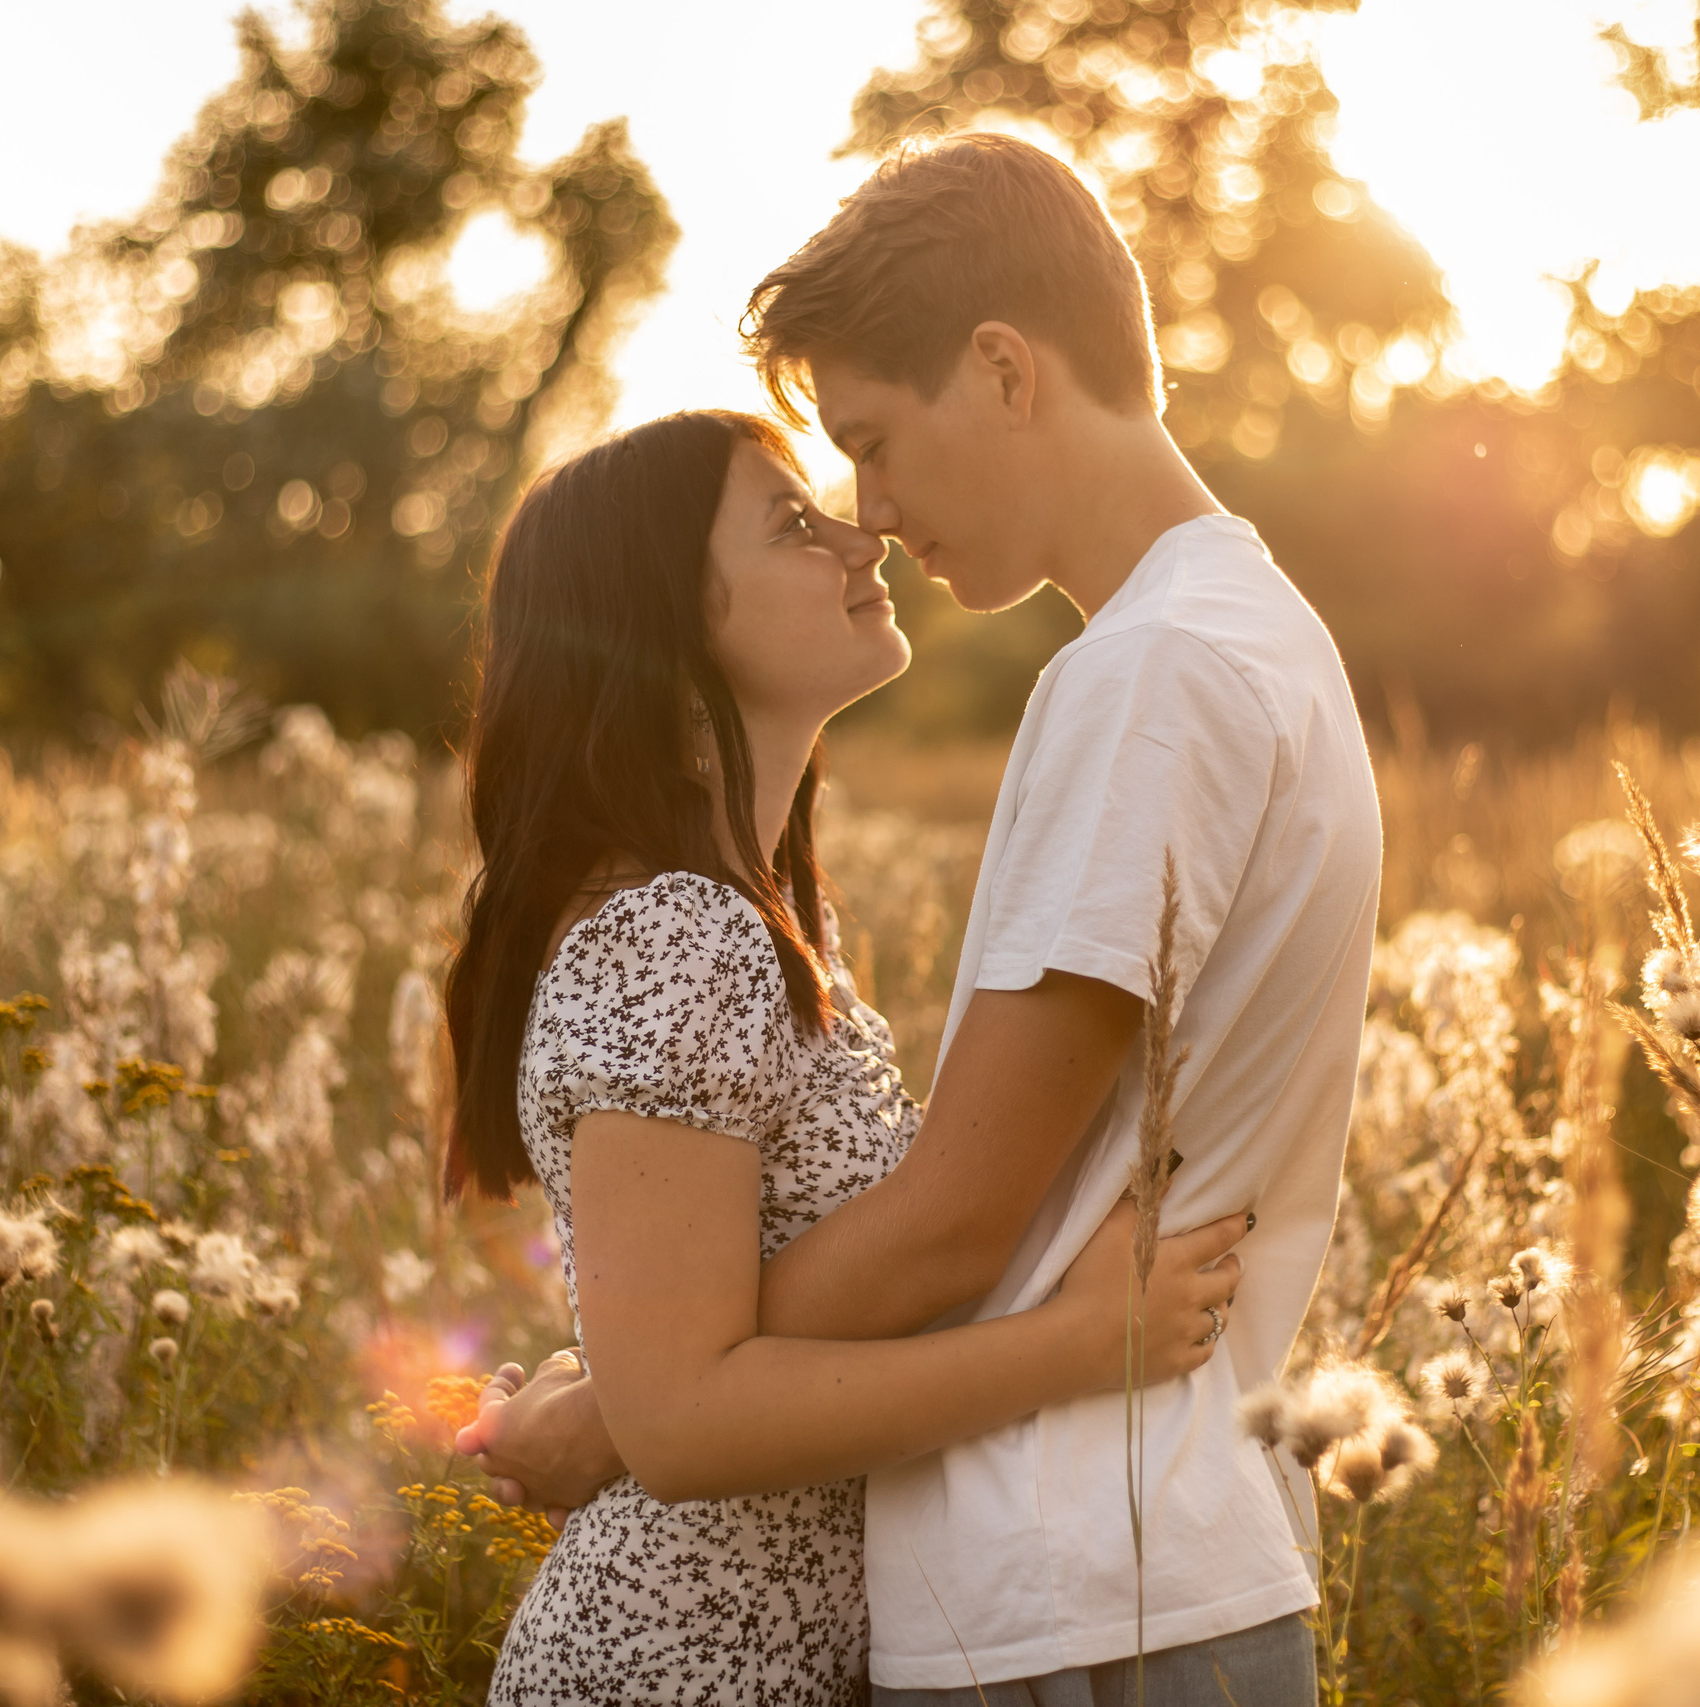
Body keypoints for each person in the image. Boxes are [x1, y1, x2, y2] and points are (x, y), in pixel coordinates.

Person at [464, 135, 1384, 1706]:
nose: (872, 514)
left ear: (1006, 370)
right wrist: (656, 1392)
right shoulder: (1230, 638)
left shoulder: (1152, 675)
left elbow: (962, 1215)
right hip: (1094, 1562)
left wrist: (626, 1406)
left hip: (1081, 1571)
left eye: (874, 445)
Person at [441, 405, 1251, 1704]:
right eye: (791, 526)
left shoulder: (763, 920)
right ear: (667, 623)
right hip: (679, 1669)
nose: (861, 537)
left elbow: (699, 1336)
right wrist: (1082, 1343)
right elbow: (686, 1426)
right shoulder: (679, 931)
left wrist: (605, 1399)